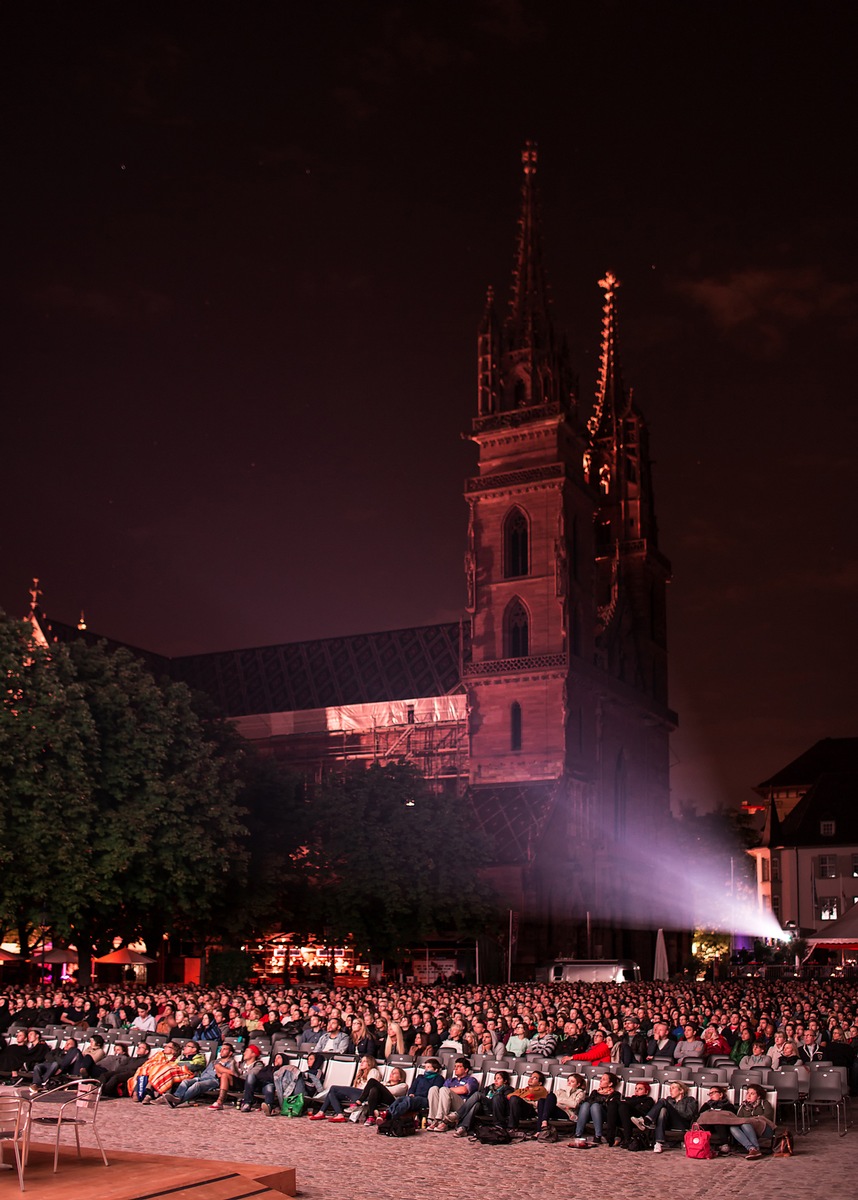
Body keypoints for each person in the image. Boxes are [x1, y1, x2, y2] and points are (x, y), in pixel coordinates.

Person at [308, 1055, 381, 1121]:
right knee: (332, 1094)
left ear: (370, 1063)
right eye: (361, 1061)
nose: (361, 1063)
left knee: (333, 1088)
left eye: (364, 1061)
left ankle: (321, 1112)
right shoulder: (361, 1074)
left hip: (365, 1095)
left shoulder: (373, 1071)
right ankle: (339, 1114)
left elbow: (371, 1087)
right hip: (356, 1095)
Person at [165, 1043, 238, 1108]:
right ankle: (177, 1096)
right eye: (221, 1049)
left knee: (197, 1085)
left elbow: (234, 1074)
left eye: (225, 1049)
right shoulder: (214, 1061)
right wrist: (199, 1077)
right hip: (203, 1077)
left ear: (230, 1053)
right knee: (185, 1082)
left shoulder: (231, 1062)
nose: (221, 1051)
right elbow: (205, 1071)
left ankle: (177, 1101)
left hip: (214, 1080)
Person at [453, 1070, 514, 1138]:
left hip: (495, 1108)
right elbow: (482, 1094)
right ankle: (463, 1128)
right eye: (495, 1078)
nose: (496, 1080)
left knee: (477, 1095)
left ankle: (457, 1115)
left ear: (505, 1081)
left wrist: (494, 1094)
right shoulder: (489, 1088)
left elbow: (504, 1101)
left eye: (499, 1078)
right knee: (476, 1104)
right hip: (484, 1108)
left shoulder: (508, 1089)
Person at [427, 1056, 479, 1131]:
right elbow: (442, 1093)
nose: (455, 1068)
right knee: (434, 1089)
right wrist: (449, 1090)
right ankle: (434, 1119)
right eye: (455, 1066)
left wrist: (449, 1090)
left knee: (444, 1090)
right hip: (447, 1104)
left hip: (461, 1106)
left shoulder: (471, 1080)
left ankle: (442, 1121)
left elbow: (464, 1090)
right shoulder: (450, 1080)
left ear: (466, 1070)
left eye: (459, 1066)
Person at [387, 1058, 443, 1123]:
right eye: (425, 1067)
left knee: (408, 1100)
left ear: (435, 1070)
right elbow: (412, 1088)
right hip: (415, 1098)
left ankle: (390, 1116)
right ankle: (388, 1112)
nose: (426, 1069)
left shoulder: (439, 1078)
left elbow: (433, 1092)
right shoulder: (420, 1077)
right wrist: (411, 1093)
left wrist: (415, 1095)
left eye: (428, 1067)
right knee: (400, 1099)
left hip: (426, 1099)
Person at [572, 1071, 622, 1145]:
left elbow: (610, 1107)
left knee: (595, 1105)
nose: (601, 1080)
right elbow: (589, 1102)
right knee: (586, 1104)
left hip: (605, 1114)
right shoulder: (595, 1092)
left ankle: (598, 1135)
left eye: (604, 1079)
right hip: (590, 1113)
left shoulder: (615, 1094)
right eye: (601, 1079)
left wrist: (598, 1101)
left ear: (610, 1084)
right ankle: (578, 1134)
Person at [648, 1080, 698, 1152]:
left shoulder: (690, 1100)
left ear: (681, 1091)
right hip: (668, 1123)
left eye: (673, 1088)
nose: (671, 1090)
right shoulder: (669, 1100)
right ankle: (658, 1143)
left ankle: (647, 1120)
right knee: (663, 1110)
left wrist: (673, 1111)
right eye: (670, 1088)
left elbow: (689, 1115)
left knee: (662, 1101)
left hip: (682, 1124)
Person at [729, 1084, 775, 1159]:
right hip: (747, 1128)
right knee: (733, 1127)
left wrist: (752, 1119)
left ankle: (756, 1148)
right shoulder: (743, 1106)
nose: (748, 1096)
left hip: (764, 1128)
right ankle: (752, 1149)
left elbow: (768, 1117)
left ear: (758, 1096)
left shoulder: (764, 1103)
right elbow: (738, 1119)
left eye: (752, 1094)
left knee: (745, 1124)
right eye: (748, 1093)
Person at [696, 1084, 736, 1155]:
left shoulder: (728, 1106)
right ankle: (699, 1144)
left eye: (713, 1093)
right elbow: (701, 1116)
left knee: (718, 1121)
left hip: (723, 1125)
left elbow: (731, 1117)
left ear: (720, 1094)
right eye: (709, 1093)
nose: (711, 1095)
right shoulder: (707, 1105)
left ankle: (724, 1145)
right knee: (702, 1125)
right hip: (708, 1125)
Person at [617, 1079, 656, 1148]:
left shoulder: (648, 1100)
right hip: (626, 1118)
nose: (636, 1090)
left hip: (640, 1118)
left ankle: (627, 1138)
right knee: (619, 1105)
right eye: (636, 1088)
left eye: (640, 1089)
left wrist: (631, 1103)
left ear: (646, 1092)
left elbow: (643, 1110)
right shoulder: (630, 1098)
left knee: (624, 1105)